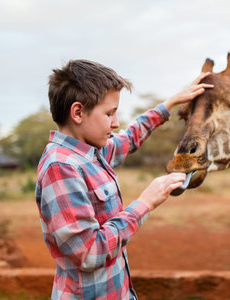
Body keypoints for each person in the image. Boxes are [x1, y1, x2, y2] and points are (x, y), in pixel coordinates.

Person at [35, 59, 213, 299]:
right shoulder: (62, 167)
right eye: (109, 113)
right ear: (78, 112)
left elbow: (129, 138)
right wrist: (144, 204)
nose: (116, 122)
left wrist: (171, 103)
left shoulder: (91, 152)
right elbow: (89, 253)